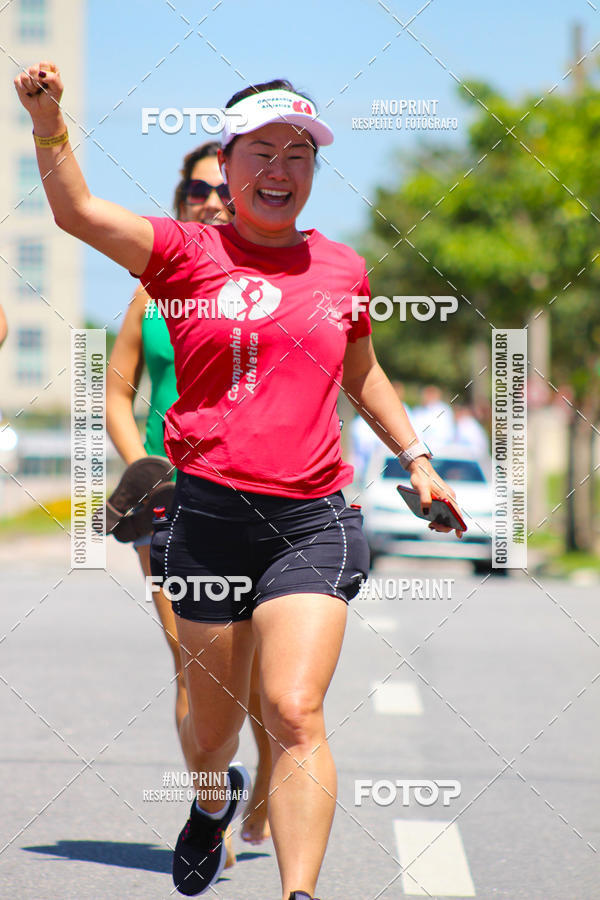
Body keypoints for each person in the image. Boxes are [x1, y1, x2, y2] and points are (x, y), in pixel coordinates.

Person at [15, 63, 464, 900]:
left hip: (313, 517)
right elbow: (75, 212)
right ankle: (209, 805)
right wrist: (49, 122)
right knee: (212, 732)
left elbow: (364, 376)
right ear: (227, 164)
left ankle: (299, 892)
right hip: (208, 516)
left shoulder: (341, 271)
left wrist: (419, 461)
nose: (281, 168)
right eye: (263, 151)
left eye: (300, 153)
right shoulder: (184, 254)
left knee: (294, 709)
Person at [106, 141, 272, 852]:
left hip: (259, 495)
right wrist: (142, 465)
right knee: (194, 663)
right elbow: (116, 392)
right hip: (170, 500)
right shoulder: (149, 292)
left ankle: (266, 778)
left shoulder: (266, 284)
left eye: (219, 191)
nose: (207, 201)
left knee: (262, 669)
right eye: (194, 191)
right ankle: (211, 808)